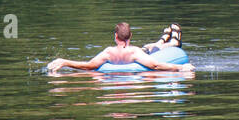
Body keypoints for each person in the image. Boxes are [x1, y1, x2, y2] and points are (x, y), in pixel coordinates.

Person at [46, 22, 193, 73]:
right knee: (148, 49)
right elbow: (155, 65)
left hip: (136, 55)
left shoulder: (108, 52)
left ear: (115, 37)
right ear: (130, 36)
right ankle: (170, 41)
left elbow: (88, 66)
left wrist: (64, 61)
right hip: (138, 56)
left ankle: (167, 40)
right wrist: (181, 68)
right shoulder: (135, 51)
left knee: (148, 48)